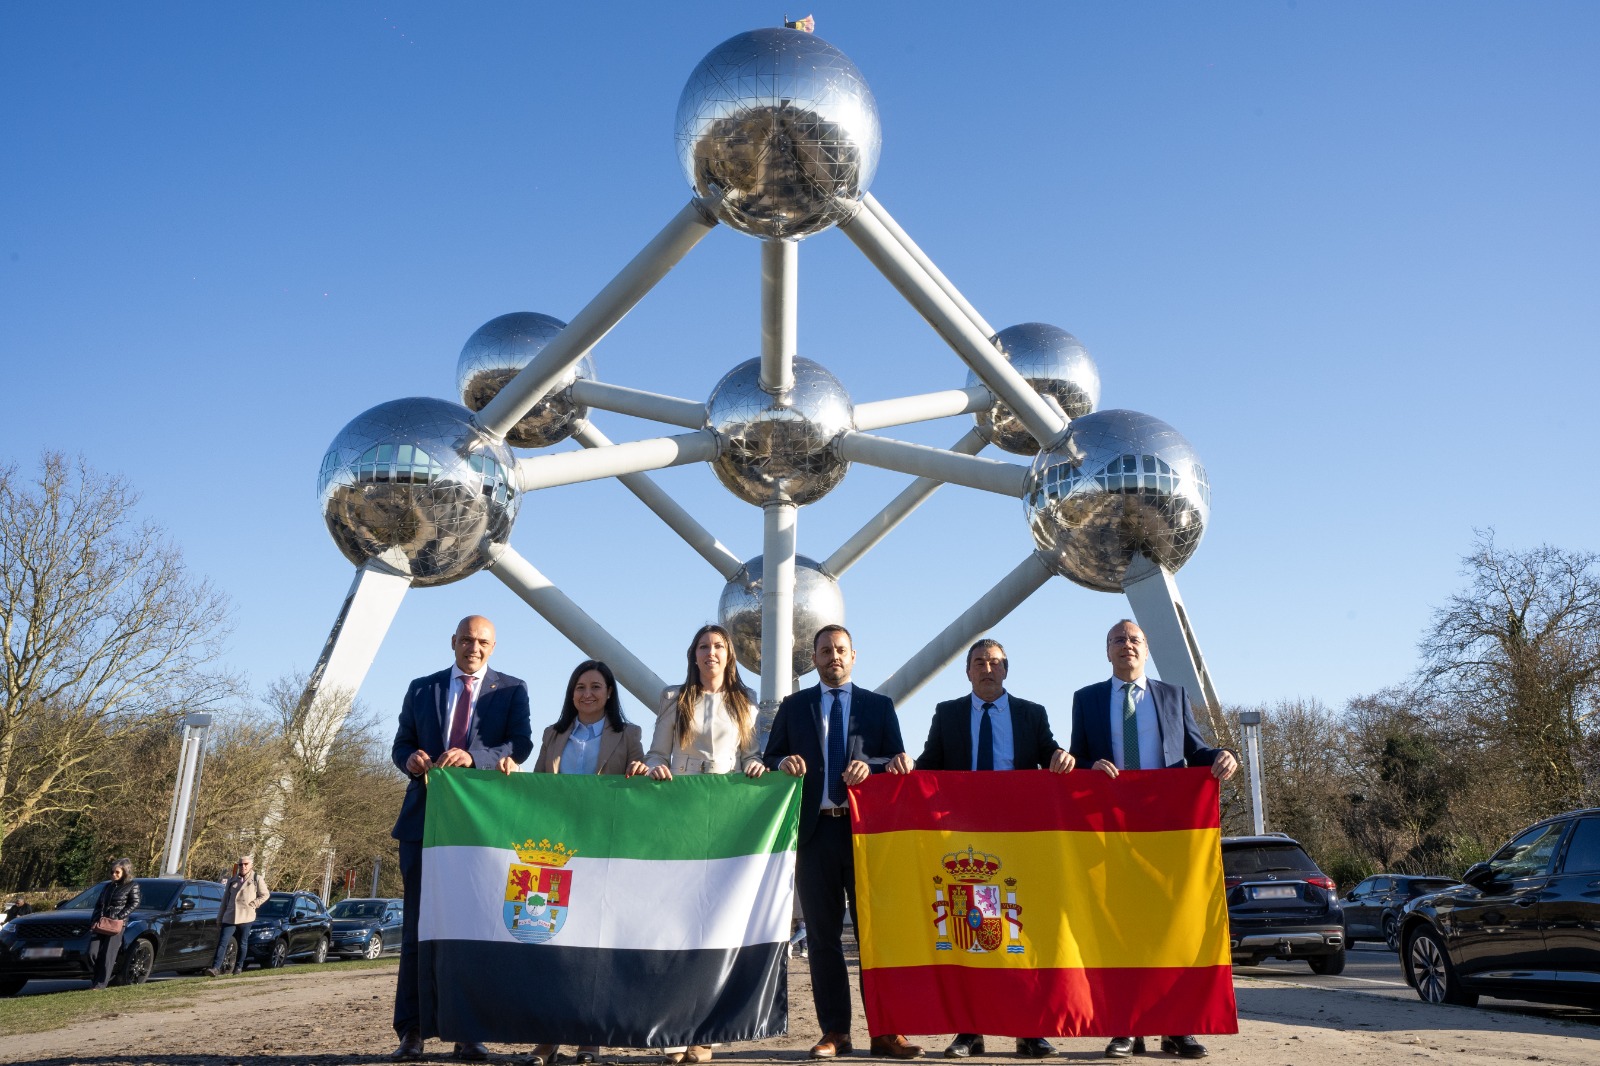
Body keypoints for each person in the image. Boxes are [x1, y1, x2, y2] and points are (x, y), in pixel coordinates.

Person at [1068, 620, 1238, 1061]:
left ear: (1146, 650)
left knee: (1172, 930)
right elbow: (1078, 758)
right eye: (1119, 640)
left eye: (1135, 640)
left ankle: (1177, 1029)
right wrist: (1088, 766)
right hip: (1111, 833)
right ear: (1107, 652)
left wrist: (1222, 755)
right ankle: (1127, 1028)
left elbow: (1195, 749)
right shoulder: (1085, 700)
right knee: (1119, 930)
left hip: (1165, 833)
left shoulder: (1172, 695)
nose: (1127, 646)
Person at [762, 625, 922, 1062]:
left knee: (876, 937)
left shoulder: (879, 706)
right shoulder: (794, 707)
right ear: (813, 658)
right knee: (824, 938)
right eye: (825, 650)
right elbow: (769, 757)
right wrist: (783, 761)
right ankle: (835, 1031)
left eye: (840, 650)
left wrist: (874, 766)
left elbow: (898, 762)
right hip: (814, 835)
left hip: (865, 835)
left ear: (854, 656)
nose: (833, 656)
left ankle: (888, 1031)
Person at [914, 638, 1074, 1059]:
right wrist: (898, 772)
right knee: (974, 936)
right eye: (979, 662)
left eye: (995, 662)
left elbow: (1048, 755)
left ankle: (1029, 1030)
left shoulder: (1031, 713)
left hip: (1018, 840)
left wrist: (1061, 757)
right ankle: (970, 1031)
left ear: (1006, 670)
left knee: (1022, 935)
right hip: (967, 845)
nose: (987, 668)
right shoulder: (946, 714)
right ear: (967, 671)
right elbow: (928, 765)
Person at [390, 615, 533, 1063]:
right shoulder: (421, 688)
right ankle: (412, 1032)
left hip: (477, 828)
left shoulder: (512, 690)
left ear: (494, 646)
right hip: (422, 822)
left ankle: (469, 1032)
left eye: (483, 642)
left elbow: (521, 745)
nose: (474, 647)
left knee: (472, 928)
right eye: (467, 640)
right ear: (453, 642)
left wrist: (474, 756)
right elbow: (400, 744)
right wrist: (410, 758)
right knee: (416, 929)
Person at [629, 624, 767, 1065]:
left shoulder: (744, 703)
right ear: (694, 654)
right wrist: (653, 770)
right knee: (676, 921)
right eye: (705, 647)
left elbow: (750, 755)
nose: (712, 653)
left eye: (719, 647)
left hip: (724, 816)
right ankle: (671, 1029)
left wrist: (759, 766)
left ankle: (705, 1033)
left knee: (714, 924)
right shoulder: (674, 697)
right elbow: (656, 752)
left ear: (730, 656)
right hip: (681, 812)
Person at [527, 659, 645, 1066]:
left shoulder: (629, 735)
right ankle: (548, 1035)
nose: (587, 693)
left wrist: (640, 772)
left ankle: (588, 1037)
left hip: (602, 854)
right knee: (551, 943)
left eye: (596, 686)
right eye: (580, 686)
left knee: (593, 947)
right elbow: (538, 788)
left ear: (609, 693)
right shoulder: (553, 734)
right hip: (555, 854)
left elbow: (640, 789)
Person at [205, 854, 268, 976]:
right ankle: (215, 968)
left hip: (246, 916)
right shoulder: (232, 880)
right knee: (223, 941)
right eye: (241, 864)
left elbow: (265, 895)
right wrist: (220, 918)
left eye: (246, 864)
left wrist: (255, 904)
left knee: (242, 942)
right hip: (230, 916)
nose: (243, 867)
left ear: (251, 865)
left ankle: (239, 967)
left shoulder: (256, 879)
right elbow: (224, 901)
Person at [87, 858, 140, 990]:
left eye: (117, 872)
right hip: (101, 923)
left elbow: (134, 903)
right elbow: (99, 904)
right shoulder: (107, 886)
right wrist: (94, 919)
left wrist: (119, 916)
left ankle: (100, 984)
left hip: (116, 925)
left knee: (108, 955)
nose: (113, 875)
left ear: (125, 872)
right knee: (92, 952)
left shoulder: (132, 886)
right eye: (112, 872)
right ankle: (97, 978)